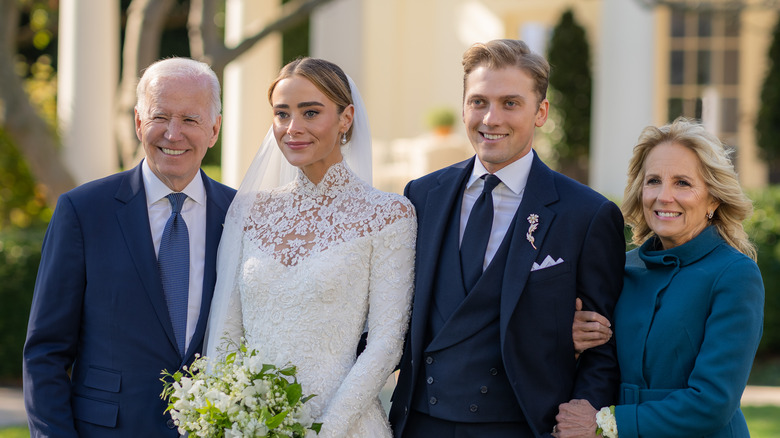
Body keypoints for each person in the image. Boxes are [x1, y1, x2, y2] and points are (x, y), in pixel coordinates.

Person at [388, 39, 626, 438]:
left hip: (523, 425)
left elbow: (605, 349)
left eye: (510, 103)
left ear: (541, 113)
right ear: (464, 106)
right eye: (478, 102)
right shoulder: (421, 196)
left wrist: (582, 413)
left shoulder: (586, 214)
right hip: (419, 424)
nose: (491, 118)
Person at [23, 57, 236, 437]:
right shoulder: (83, 211)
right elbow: (45, 353)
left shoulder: (240, 217)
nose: (173, 134)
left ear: (215, 129)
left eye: (190, 120)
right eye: (160, 117)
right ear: (139, 122)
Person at [204, 57, 416, 438]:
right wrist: (226, 413)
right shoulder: (249, 212)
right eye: (282, 114)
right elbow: (226, 332)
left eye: (310, 112)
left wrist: (323, 431)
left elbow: (386, 344)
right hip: (251, 426)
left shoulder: (389, 215)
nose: (292, 128)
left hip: (344, 425)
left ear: (345, 118)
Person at [556, 118, 764, 438]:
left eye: (683, 182)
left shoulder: (735, 275)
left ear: (713, 199)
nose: (664, 196)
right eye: (653, 181)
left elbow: (712, 402)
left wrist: (605, 423)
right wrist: (571, 343)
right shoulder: (622, 269)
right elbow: (600, 367)